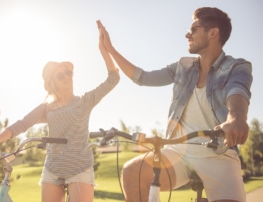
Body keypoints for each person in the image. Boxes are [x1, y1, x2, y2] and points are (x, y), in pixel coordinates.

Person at [97, 6, 252, 202]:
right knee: (132, 172)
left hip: (219, 156)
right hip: (180, 153)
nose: (188, 33)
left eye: (194, 29)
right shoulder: (183, 66)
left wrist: (236, 118)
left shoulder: (237, 67)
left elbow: (238, 92)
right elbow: (143, 77)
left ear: (213, 33)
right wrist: (110, 49)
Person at [0, 25, 119, 202]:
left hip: (80, 169)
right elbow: (20, 125)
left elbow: (113, 79)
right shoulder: (47, 108)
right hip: (53, 169)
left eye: (69, 73)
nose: (67, 77)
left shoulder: (84, 101)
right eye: (60, 75)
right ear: (51, 83)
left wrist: (104, 50)